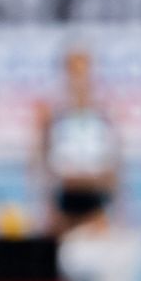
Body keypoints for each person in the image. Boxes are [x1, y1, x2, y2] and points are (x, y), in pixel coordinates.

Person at [35, 44, 122, 234]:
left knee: (100, 256)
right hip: (64, 200)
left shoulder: (103, 114)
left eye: (84, 71)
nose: (79, 79)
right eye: (74, 72)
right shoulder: (52, 114)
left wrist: (121, 210)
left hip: (95, 199)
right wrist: (45, 206)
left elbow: (115, 165)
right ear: (65, 74)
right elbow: (40, 164)